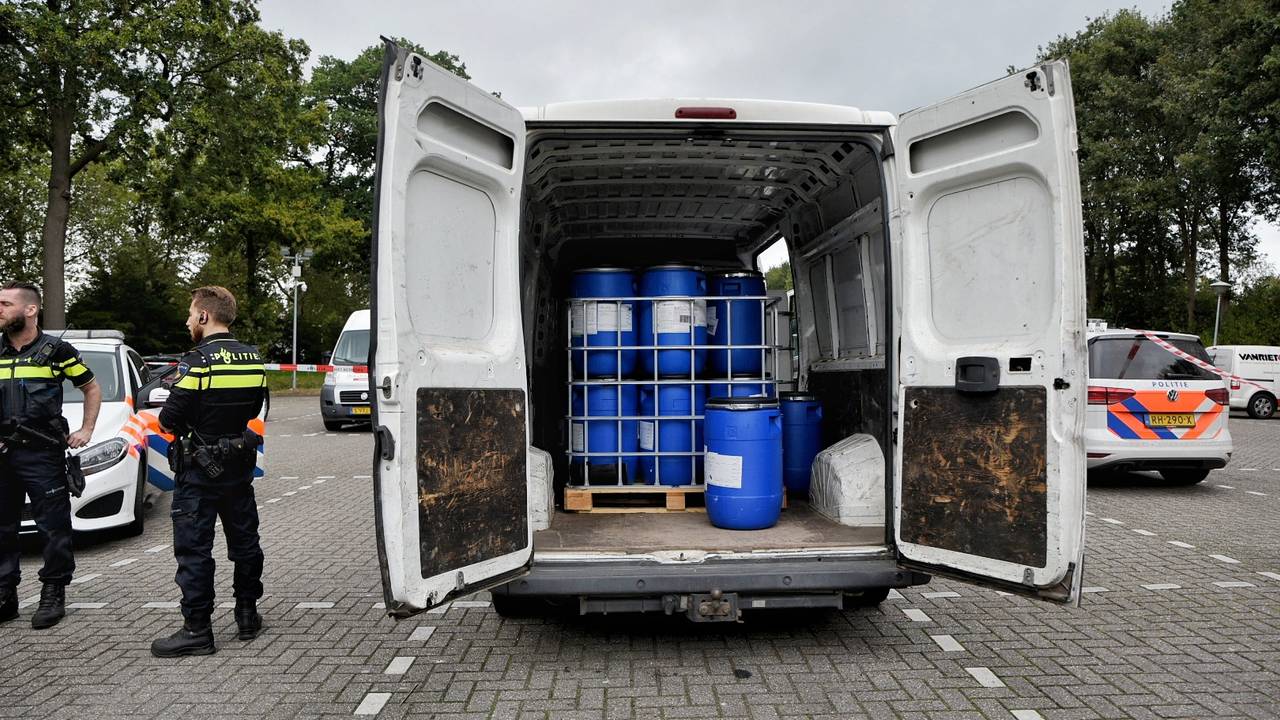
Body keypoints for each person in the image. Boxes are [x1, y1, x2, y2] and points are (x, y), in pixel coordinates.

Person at [150, 286, 266, 658]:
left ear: (204, 316)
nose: (187, 321)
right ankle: (247, 615)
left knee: (195, 551)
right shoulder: (253, 359)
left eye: (190, 314)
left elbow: (169, 419)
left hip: (199, 474)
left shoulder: (196, 361)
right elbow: (258, 409)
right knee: (245, 544)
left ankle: (197, 630)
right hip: (238, 469)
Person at [0, 281, 101, 629]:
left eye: (5, 303)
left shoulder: (56, 351)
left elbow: (90, 386)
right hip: (2, 454)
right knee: (2, 528)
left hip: (42, 453)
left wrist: (86, 430)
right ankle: (5, 596)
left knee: (53, 527)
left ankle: (52, 592)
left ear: (30, 310)